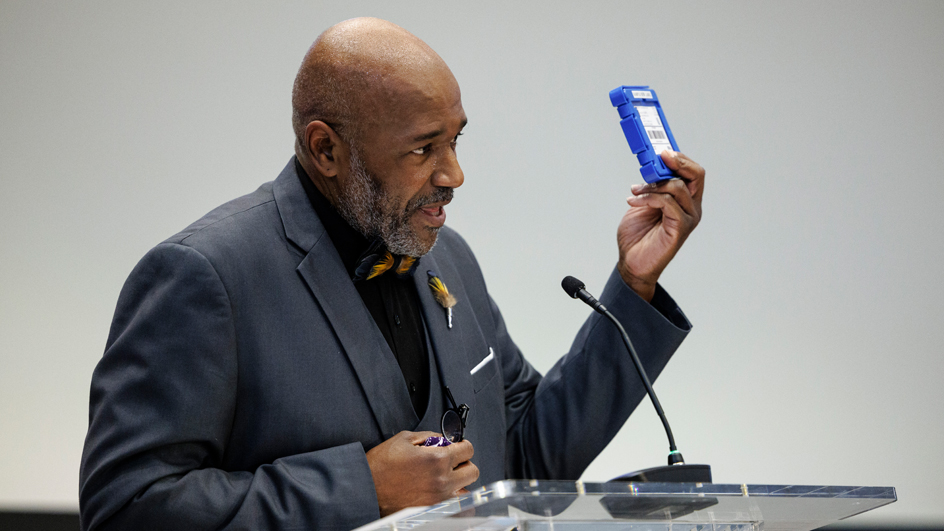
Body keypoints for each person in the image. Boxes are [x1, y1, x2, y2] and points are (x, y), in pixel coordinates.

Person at [79, 17, 704, 531]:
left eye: (457, 141)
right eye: (423, 147)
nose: (454, 174)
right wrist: (359, 489)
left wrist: (634, 286)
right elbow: (126, 507)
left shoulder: (449, 257)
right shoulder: (205, 276)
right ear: (326, 149)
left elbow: (524, 455)